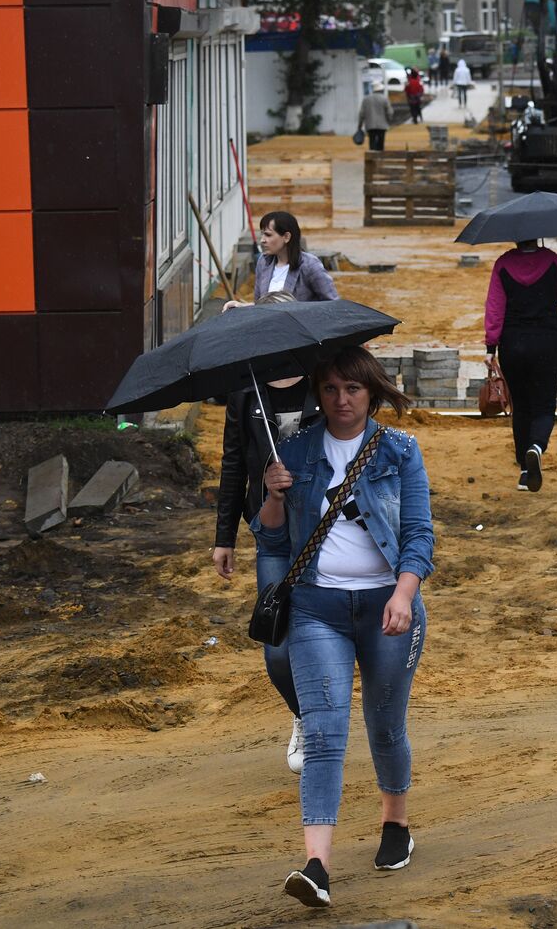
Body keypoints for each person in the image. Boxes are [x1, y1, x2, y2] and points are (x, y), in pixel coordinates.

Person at [255, 346, 434, 908]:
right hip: (316, 609)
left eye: (353, 389)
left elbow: (419, 534)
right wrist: (273, 498)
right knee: (324, 731)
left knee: (384, 725)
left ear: (372, 392)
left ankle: (396, 824)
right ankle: (316, 866)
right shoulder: (294, 453)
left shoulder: (400, 451)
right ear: (318, 393)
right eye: (330, 389)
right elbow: (273, 543)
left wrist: (404, 594)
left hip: (388, 608)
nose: (342, 400)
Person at [213, 290, 323, 774]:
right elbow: (233, 463)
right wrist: (224, 536)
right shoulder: (245, 388)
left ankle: (328, 716)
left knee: (331, 632)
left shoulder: (328, 379)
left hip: (330, 527)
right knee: (277, 649)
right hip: (272, 531)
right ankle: (303, 716)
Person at [483, 239, 557, 492]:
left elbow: (495, 309)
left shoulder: (503, 264)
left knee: (522, 405)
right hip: (547, 343)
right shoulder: (555, 262)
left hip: (512, 344)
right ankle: (536, 447)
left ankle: (525, 473)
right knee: (544, 404)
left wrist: (490, 348)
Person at [229, 211, 339, 309]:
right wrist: (241, 306)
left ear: (286, 237)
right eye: (262, 235)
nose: (262, 240)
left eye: (268, 235)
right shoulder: (264, 262)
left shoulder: (309, 265)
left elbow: (333, 304)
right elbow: (260, 306)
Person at [359, 87, 393, 151]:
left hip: (370, 125)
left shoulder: (366, 99)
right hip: (382, 125)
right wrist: (389, 120)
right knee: (381, 142)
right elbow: (390, 112)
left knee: (372, 141)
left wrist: (359, 126)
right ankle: (380, 156)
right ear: (381, 90)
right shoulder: (384, 99)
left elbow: (361, 114)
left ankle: (372, 156)